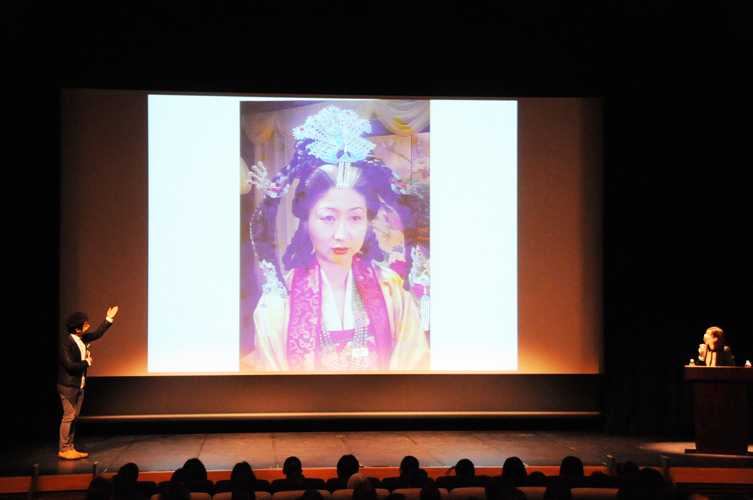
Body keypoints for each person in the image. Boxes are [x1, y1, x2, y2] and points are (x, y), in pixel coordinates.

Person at [250, 105, 430, 371]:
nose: (342, 234)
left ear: (368, 221)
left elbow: (412, 367)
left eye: (355, 218)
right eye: (328, 217)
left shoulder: (391, 289)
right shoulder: (278, 302)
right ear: (306, 221)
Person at [58, 306, 118, 460]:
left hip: (80, 384)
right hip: (69, 386)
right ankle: (63, 448)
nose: (88, 326)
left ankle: (70, 447)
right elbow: (70, 365)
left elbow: (97, 334)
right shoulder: (66, 344)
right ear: (77, 329)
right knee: (68, 417)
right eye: (85, 325)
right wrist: (87, 362)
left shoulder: (81, 339)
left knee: (74, 417)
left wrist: (108, 319)